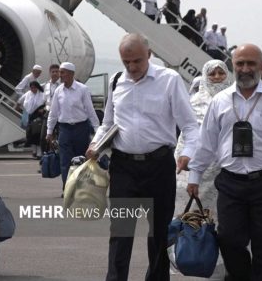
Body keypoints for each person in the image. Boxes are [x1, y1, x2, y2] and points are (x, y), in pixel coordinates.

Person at [187, 44, 262, 281]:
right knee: (229, 240)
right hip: (231, 183)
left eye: (251, 64)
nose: (245, 69)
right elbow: (206, 143)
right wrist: (195, 174)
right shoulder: (220, 101)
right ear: (233, 66)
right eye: (240, 64)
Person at [85, 33, 199, 281]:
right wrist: (95, 144)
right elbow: (108, 124)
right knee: (120, 232)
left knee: (158, 234)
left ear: (149, 55)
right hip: (124, 167)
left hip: (159, 166)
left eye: (137, 61)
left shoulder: (169, 80)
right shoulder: (117, 81)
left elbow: (190, 125)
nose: (132, 67)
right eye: (127, 62)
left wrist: (187, 154)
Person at [174, 59, 231, 280]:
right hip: (200, 171)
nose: (217, 77)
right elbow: (186, 136)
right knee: (199, 223)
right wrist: (181, 161)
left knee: (226, 225)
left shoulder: (236, 101)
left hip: (226, 172)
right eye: (212, 73)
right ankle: (202, 263)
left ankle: (224, 269)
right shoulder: (194, 102)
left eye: (221, 73)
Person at [46, 62, 99, 193]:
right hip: (64, 130)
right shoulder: (59, 91)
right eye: (59, 72)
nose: (60, 75)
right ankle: (67, 188)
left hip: (81, 129)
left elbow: (90, 110)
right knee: (65, 161)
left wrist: (98, 130)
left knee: (81, 159)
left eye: (63, 72)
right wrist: (49, 131)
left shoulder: (82, 89)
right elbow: (53, 113)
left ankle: (81, 188)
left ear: (71, 74)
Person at [16, 81, 46, 158]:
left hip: (39, 115)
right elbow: (19, 101)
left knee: (38, 133)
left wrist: (43, 109)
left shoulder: (42, 94)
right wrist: (18, 107)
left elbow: (47, 103)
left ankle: (39, 152)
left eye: (35, 87)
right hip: (30, 115)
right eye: (32, 88)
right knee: (30, 134)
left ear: (37, 87)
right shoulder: (28, 94)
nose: (33, 89)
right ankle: (34, 150)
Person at [40, 64, 61, 154]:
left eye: (57, 72)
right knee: (44, 137)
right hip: (48, 112)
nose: (55, 73)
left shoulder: (62, 85)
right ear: (50, 73)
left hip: (60, 113)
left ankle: (58, 156)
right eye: (53, 72)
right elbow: (44, 99)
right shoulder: (45, 85)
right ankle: (45, 158)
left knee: (60, 136)